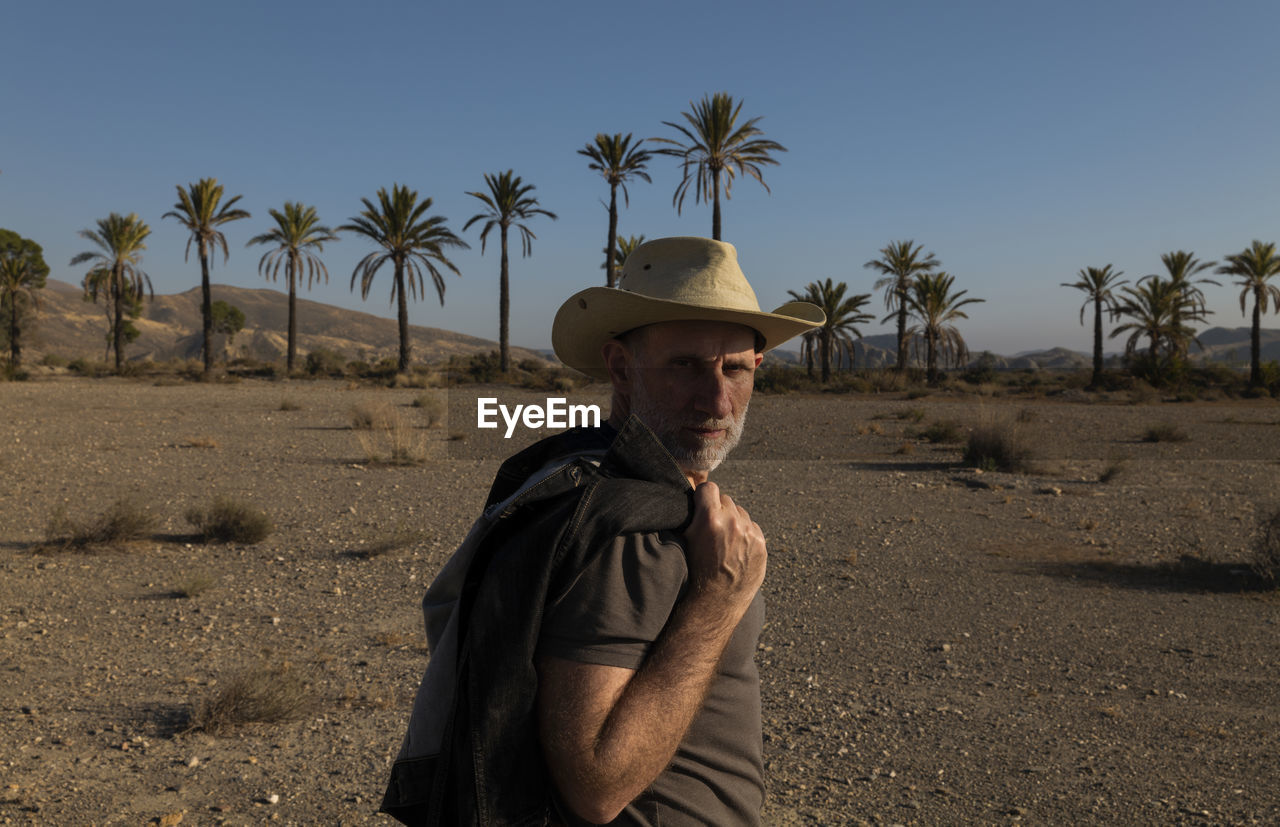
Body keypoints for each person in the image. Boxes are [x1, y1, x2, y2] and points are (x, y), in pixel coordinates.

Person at [380, 236, 823, 826]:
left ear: (758, 368)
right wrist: (719, 599)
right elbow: (597, 783)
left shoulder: (585, 469)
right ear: (620, 366)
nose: (718, 399)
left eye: (736, 369)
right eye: (684, 365)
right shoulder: (631, 531)